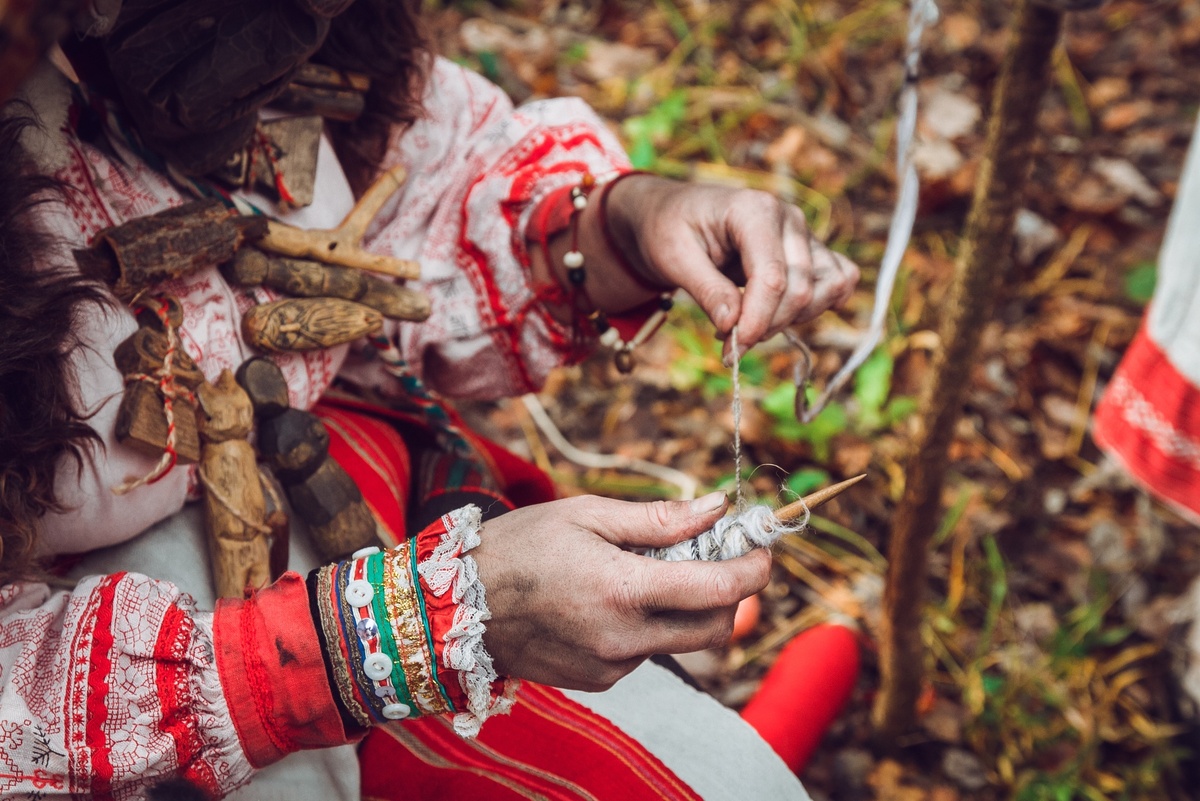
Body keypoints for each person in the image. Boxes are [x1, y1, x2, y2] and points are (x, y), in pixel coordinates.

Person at [0, 1, 859, 798]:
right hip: (141, 679)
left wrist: (619, 225)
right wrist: (397, 636)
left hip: (352, 503)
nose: (295, 33)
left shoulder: (319, 42)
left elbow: (423, 182)